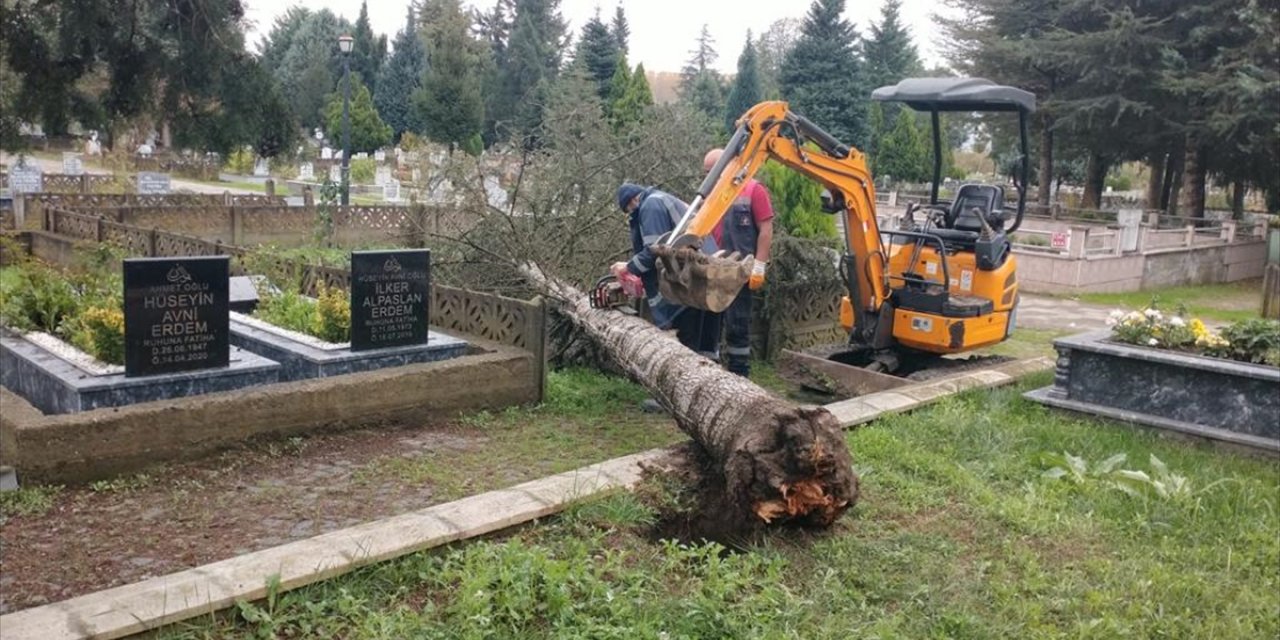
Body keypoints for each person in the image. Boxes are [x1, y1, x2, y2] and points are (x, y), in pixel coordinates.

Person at [611, 182, 722, 361]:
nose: (632, 214)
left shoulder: (650, 206)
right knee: (706, 350)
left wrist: (628, 267)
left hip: (687, 285)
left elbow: (655, 250)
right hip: (708, 275)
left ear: (633, 201)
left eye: (629, 210)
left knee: (688, 352)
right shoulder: (663, 198)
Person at [703, 148, 775, 377]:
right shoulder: (710, 193)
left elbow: (766, 229)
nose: (708, 177)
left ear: (727, 167)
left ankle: (739, 373)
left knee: (738, 324)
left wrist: (759, 266)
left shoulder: (754, 190)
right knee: (710, 323)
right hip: (713, 269)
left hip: (740, 272)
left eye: (711, 171)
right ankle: (709, 372)